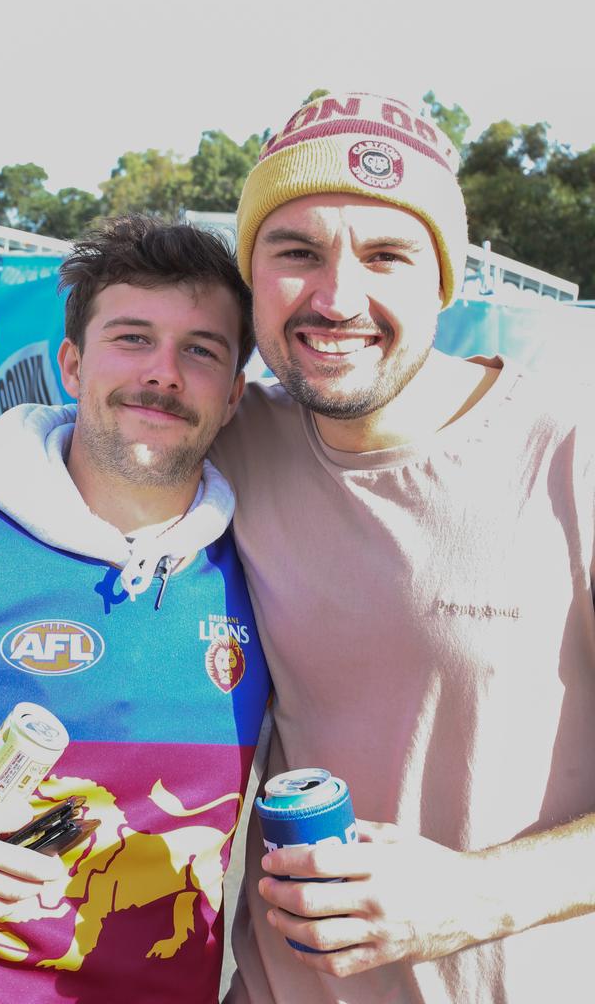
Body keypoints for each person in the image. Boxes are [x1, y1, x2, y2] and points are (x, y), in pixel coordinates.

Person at [210, 91, 595, 1003]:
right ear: (251, 276)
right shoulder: (230, 441)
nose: (338, 297)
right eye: (297, 252)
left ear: (443, 282)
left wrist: (472, 895)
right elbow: (60, 447)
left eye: (387, 255)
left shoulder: (569, 455)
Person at [0, 215, 270, 1004]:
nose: (163, 373)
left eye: (200, 350)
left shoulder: (264, 576)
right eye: (131, 338)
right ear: (71, 364)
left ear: (236, 393)